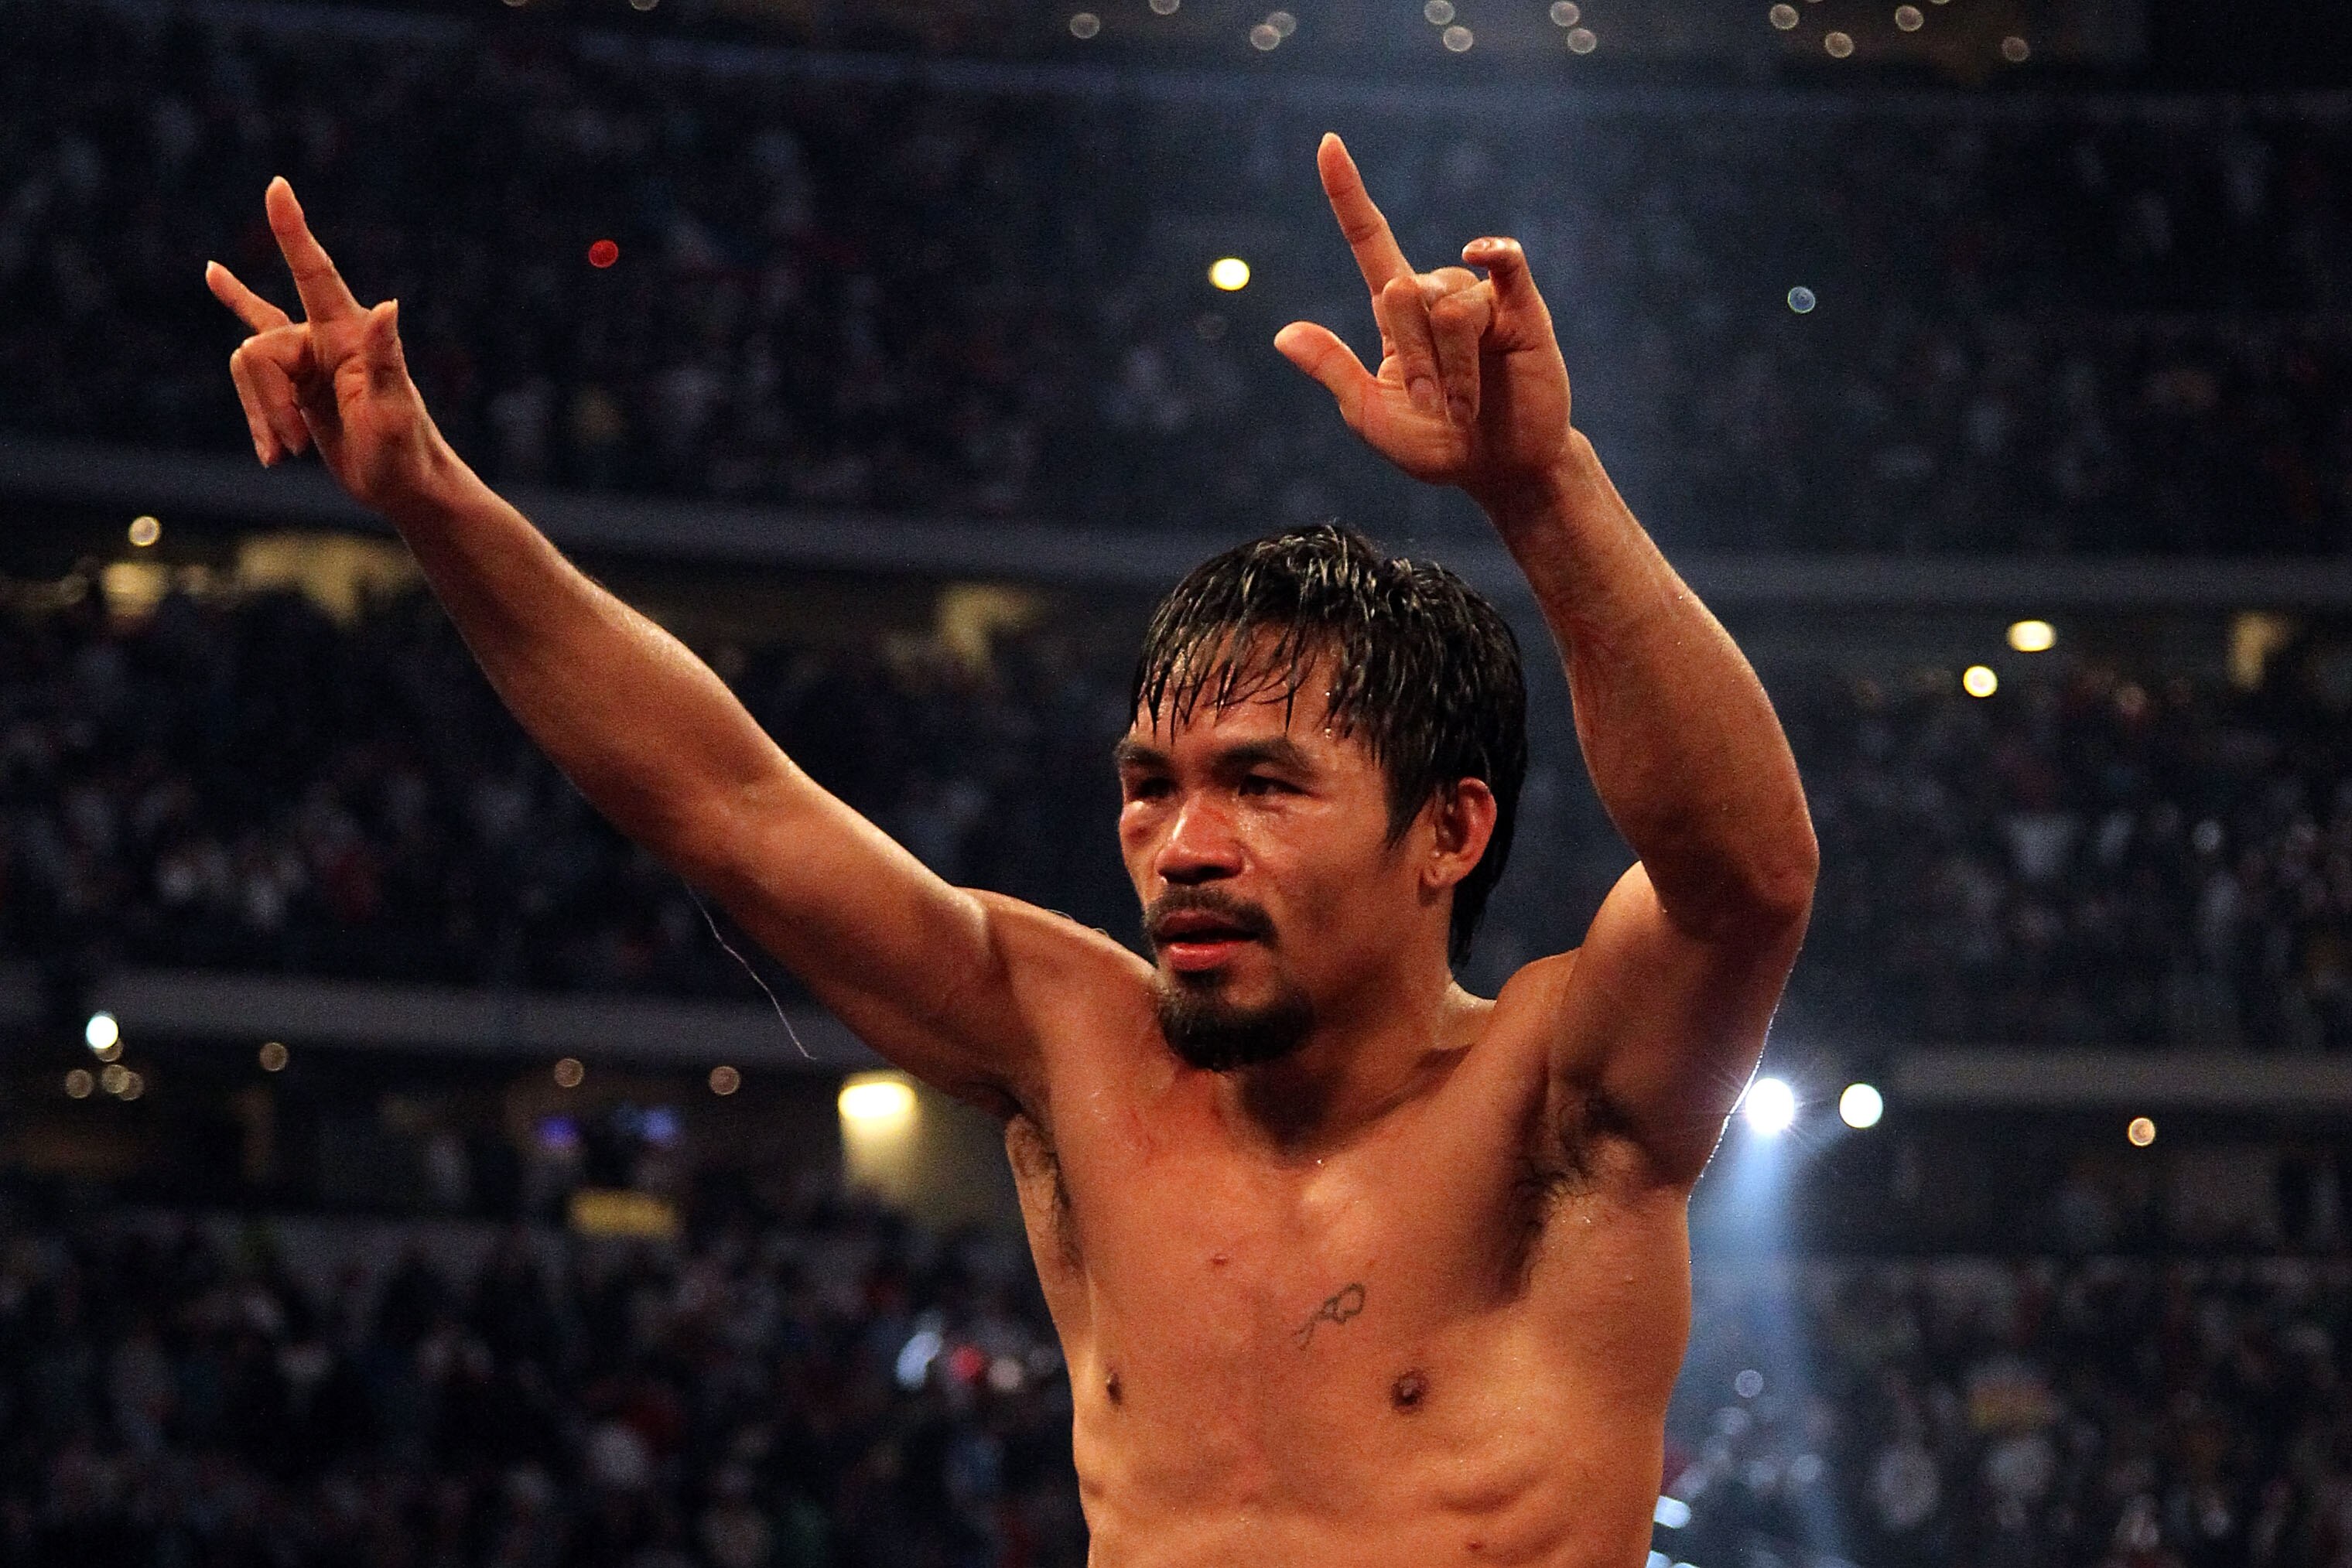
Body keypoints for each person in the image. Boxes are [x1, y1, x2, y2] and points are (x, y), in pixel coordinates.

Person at [208, 132, 1816, 1566]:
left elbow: (1743, 875)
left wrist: (1539, 487)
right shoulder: (1073, 1046)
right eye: (1147, 784)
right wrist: (428, 497)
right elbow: (730, 805)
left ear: (1445, 831)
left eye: (1259, 783)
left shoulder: (1558, 1098)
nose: (1181, 844)